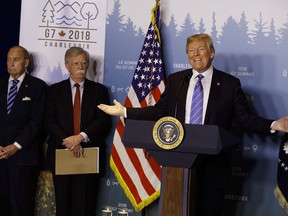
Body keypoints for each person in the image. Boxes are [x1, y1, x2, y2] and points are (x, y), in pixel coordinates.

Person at [98, 33, 288, 216]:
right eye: (191, 50)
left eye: (200, 49)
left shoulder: (229, 84)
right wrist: (124, 111)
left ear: (211, 53)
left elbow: (245, 118)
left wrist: (274, 124)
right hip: (178, 165)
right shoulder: (176, 81)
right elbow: (158, 112)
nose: (195, 54)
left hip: (213, 166)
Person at [45, 47, 111, 216]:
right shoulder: (54, 90)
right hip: (62, 154)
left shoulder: (99, 91)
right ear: (67, 66)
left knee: (85, 207)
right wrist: (69, 141)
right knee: (63, 206)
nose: (81, 67)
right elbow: (48, 120)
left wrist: (80, 137)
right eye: (76, 64)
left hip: (88, 154)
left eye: (84, 62)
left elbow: (103, 120)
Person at [0, 46, 47, 216]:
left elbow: (37, 123)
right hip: (0, 156)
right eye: (8, 59)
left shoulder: (38, 87)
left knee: (21, 206)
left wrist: (16, 146)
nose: (11, 64)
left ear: (26, 63)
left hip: (23, 157)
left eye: (16, 59)